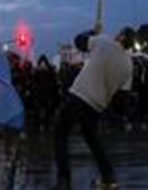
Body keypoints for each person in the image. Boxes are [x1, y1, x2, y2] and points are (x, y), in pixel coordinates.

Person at [54, 27, 134, 190]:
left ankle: (64, 179)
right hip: (97, 105)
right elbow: (121, 97)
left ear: (122, 37)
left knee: (60, 134)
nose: (115, 34)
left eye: (118, 33)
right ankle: (108, 177)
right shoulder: (128, 65)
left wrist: (92, 32)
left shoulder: (105, 41)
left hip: (79, 94)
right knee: (92, 139)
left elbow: (78, 41)